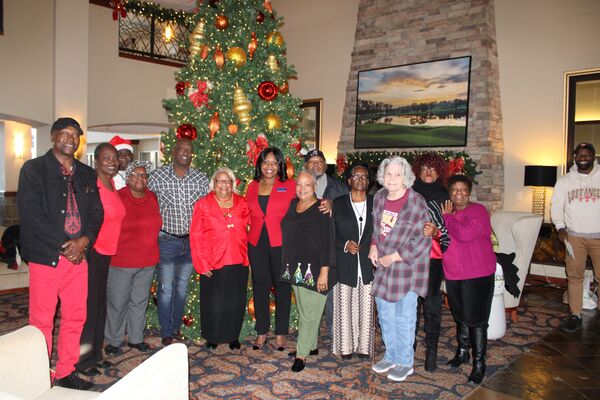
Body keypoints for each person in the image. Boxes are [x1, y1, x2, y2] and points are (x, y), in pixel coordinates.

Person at [17, 117, 103, 390]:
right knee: (42, 320)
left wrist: (85, 240)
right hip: (47, 257)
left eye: (75, 135)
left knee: (76, 316)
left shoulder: (87, 173)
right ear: (53, 137)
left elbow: (96, 213)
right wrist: (67, 245)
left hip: (79, 259)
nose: (70, 139)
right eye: (65, 134)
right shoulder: (34, 169)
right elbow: (31, 214)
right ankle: (38, 374)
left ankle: (66, 371)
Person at [368, 156, 431, 382]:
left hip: (407, 268)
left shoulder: (416, 202)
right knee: (385, 316)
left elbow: (422, 242)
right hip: (384, 268)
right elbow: (376, 230)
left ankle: (405, 362)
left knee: (404, 318)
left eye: (397, 174)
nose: (392, 178)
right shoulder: (379, 197)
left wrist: (393, 257)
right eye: (388, 174)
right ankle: (391, 355)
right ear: (382, 177)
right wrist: (373, 246)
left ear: (406, 177)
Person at [148, 138, 209, 346]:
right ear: (174, 152)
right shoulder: (157, 177)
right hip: (167, 241)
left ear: (192, 154)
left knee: (182, 288)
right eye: (182, 149)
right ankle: (166, 332)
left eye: (189, 150)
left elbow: (207, 209)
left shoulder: (201, 179)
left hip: (190, 243)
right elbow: (144, 199)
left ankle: (174, 328)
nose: (185, 153)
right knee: (165, 288)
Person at [76, 143, 126, 377]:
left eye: (114, 158)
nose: (112, 161)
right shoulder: (91, 184)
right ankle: (83, 358)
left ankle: (96, 354)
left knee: (99, 305)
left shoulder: (112, 183)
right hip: (93, 252)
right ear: (96, 160)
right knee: (88, 306)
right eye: (106, 157)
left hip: (107, 253)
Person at [442, 174, 496, 385]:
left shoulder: (478, 211)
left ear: (469, 192)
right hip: (455, 272)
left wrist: (447, 217)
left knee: (477, 320)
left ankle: (479, 364)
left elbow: (463, 233)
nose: (458, 193)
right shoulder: (451, 213)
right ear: (450, 193)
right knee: (461, 316)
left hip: (477, 273)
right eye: (454, 190)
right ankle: (463, 351)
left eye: (463, 190)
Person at [280, 170, 336, 372]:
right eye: (299, 185)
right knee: (304, 311)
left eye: (307, 185)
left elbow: (328, 242)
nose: (302, 189)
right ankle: (311, 346)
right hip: (295, 267)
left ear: (315, 187)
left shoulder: (322, 208)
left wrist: (324, 272)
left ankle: (301, 354)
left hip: (317, 269)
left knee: (310, 314)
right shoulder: (292, 204)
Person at [104, 161, 162, 355]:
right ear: (127, 178)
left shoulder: (152, 197)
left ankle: (136, 338)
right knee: (117, 302)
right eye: (135, 175)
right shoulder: (118, 197)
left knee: (139, 301)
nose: (140, 179)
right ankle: (114, 339)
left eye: (144, 175)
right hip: (122, 261)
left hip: (148, 260)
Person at [191, 167, 250, 350]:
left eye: (227, 181)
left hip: (238, 259)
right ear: (213, 184)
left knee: (235, 301)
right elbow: (196, 234)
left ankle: (233, 336)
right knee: (213, 302)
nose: (223, 184)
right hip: (213, 261)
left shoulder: (242, 203)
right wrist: (201, 263)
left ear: (232, 184)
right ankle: (212, 336)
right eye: (219, 180)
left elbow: (252, 228)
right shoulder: (203, 204)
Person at [246, 147, 296, 351]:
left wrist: (326, 203)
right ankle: (261, 331)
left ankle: (281, 332)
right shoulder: (252, 186)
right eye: (266, 162)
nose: (269, 166)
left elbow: (306, 204)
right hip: (257, 242)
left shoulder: (289, 185)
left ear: (280, 165)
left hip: (281, 243)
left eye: (274, 162)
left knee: (283, 287)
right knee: (260, 287)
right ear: (259, 164)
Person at [551, 142, 600, 332]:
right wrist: (560, 227)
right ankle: (575, 314)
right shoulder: (565, 181)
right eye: (580, 155)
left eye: (587, 155)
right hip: (574, 237)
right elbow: (556, 206)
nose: (583, 158)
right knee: (574, 276)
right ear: (575, 158)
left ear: (593, 157)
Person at [411, 152, 450, 372]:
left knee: (433, 304)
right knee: (411, 304)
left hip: (434, 258)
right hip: (410, 257)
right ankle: (410, 345)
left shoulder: (445, 195)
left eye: (433, 168)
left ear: (439, 172)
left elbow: (450, 231)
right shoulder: (408, 192)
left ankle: (432, 349)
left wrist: (437, 231)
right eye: (424, 167)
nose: (428, 172)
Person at [331, 163, 375, 360]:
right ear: (348, 180)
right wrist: (345, 244)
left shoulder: (376, 203)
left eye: (364, 176)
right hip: (345, 262)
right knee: (344, 307)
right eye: (356, 176)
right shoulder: (338, 203)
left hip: (367, 264)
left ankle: (364, 347)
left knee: (366, 306)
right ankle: (346, 346)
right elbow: (330, 234)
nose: (360, 179)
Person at [304, 149, 348, 333]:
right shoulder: (300, 186)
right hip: (307, 246)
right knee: (307, 289)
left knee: (331, 289)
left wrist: (334, 205)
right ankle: (309, 333)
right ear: (306, 166)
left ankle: (333, 331)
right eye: (312, 162)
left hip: (332, 245)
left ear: (325, 165)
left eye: (320, 161)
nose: (316, 165)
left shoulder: (338, 187)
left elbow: (349, 212)